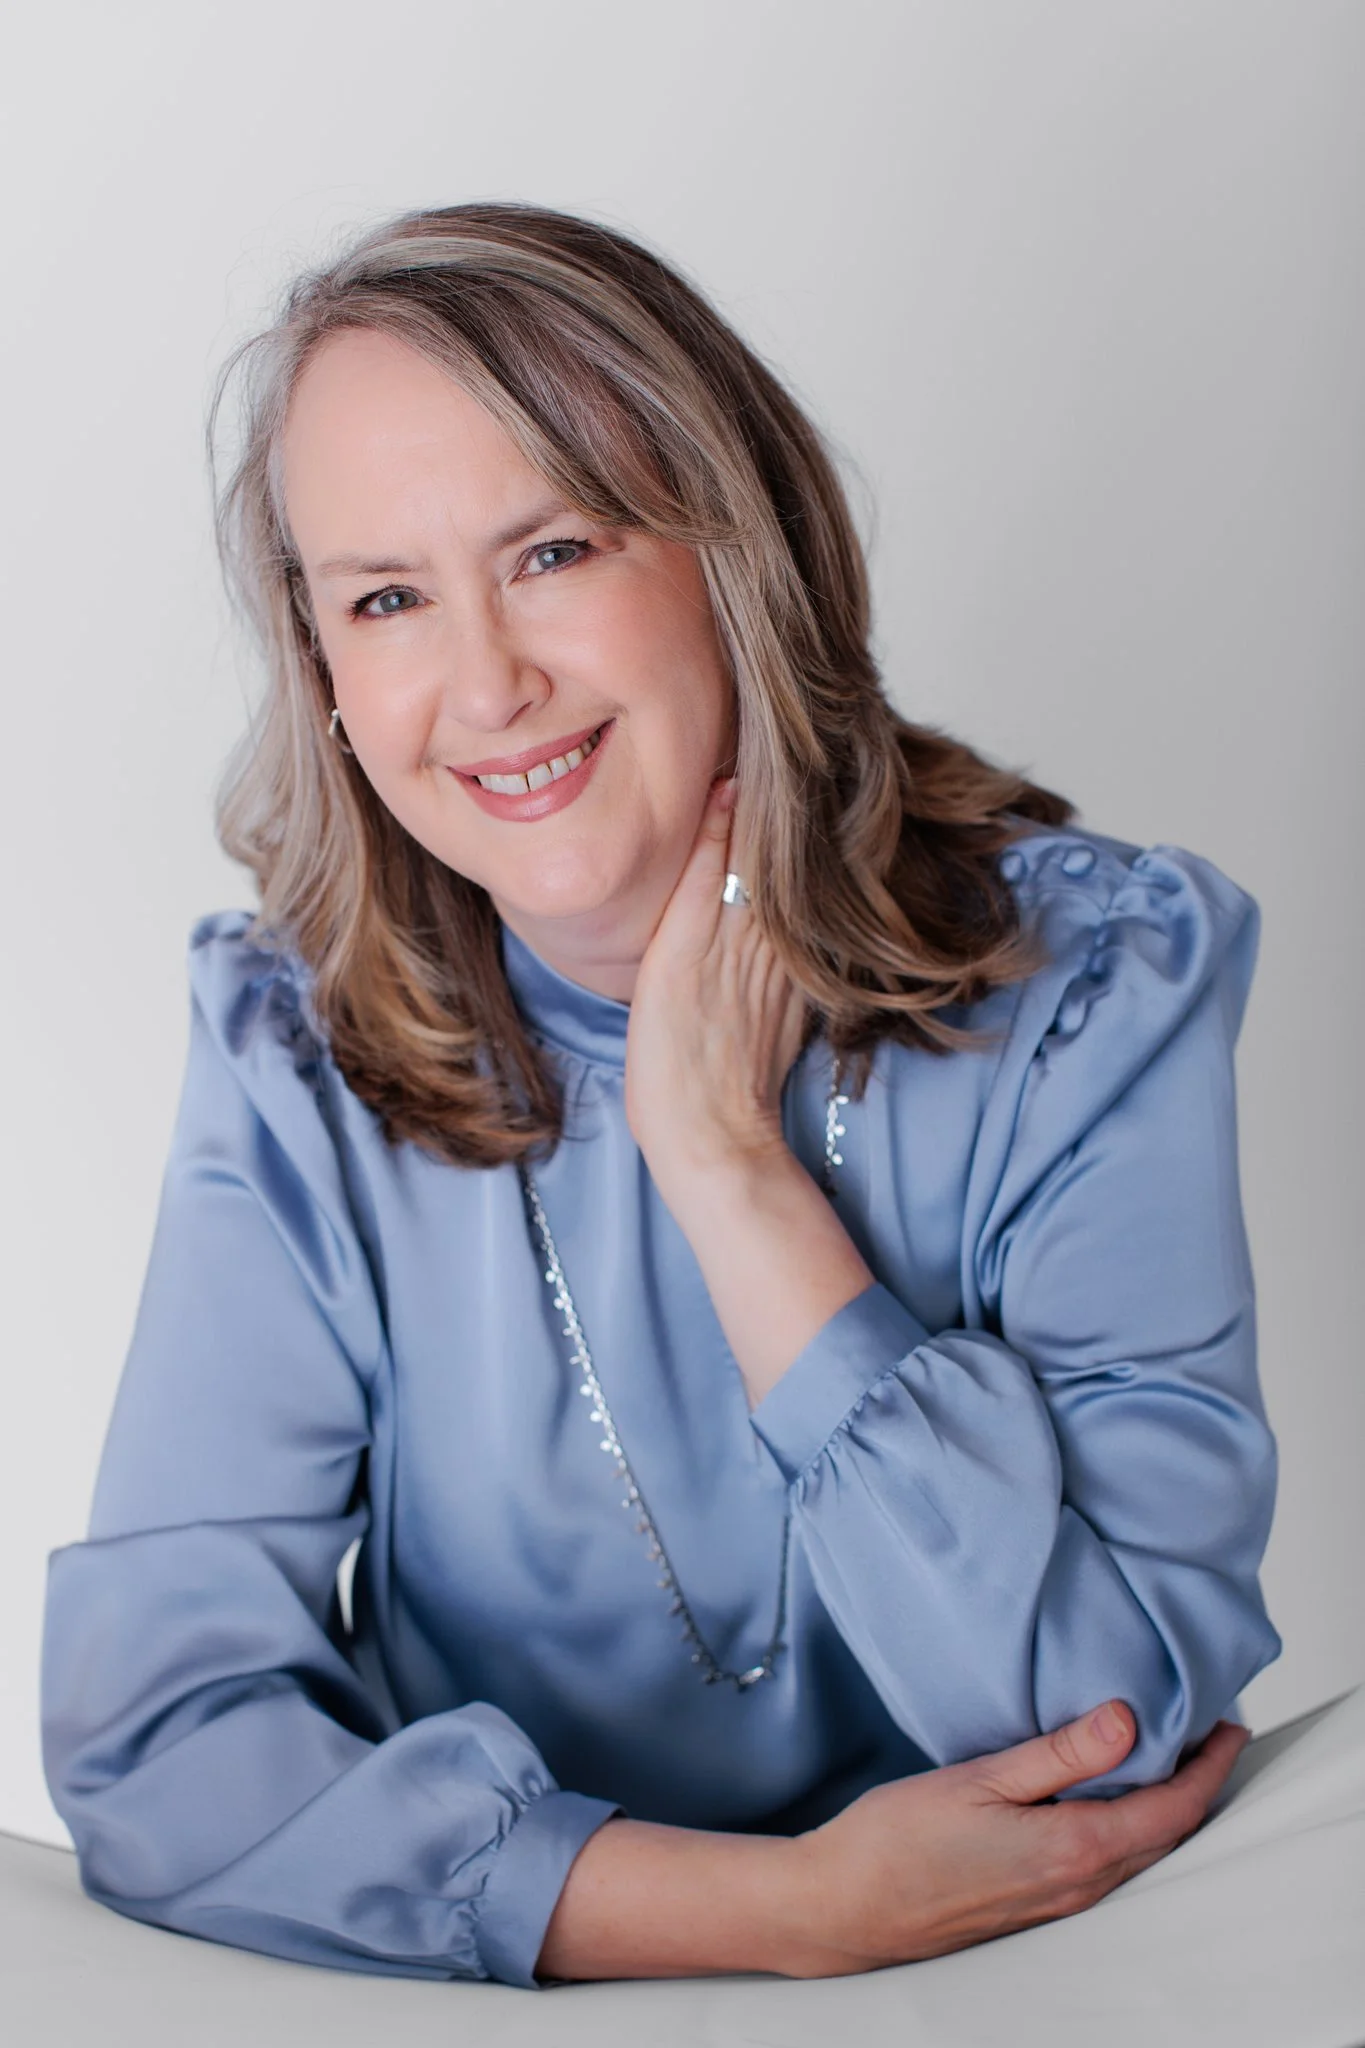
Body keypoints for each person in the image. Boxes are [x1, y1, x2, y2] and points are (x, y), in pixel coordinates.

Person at [40, 202, 1276, 1991]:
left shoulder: (1093, 990)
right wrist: (781, 1916)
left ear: (730, 545)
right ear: (324, 672)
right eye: (385, 599)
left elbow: (1104, 1717)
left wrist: (724, 1162)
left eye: (552, 552)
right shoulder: (296, 1050)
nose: (484, 685)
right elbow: (161, 1755)